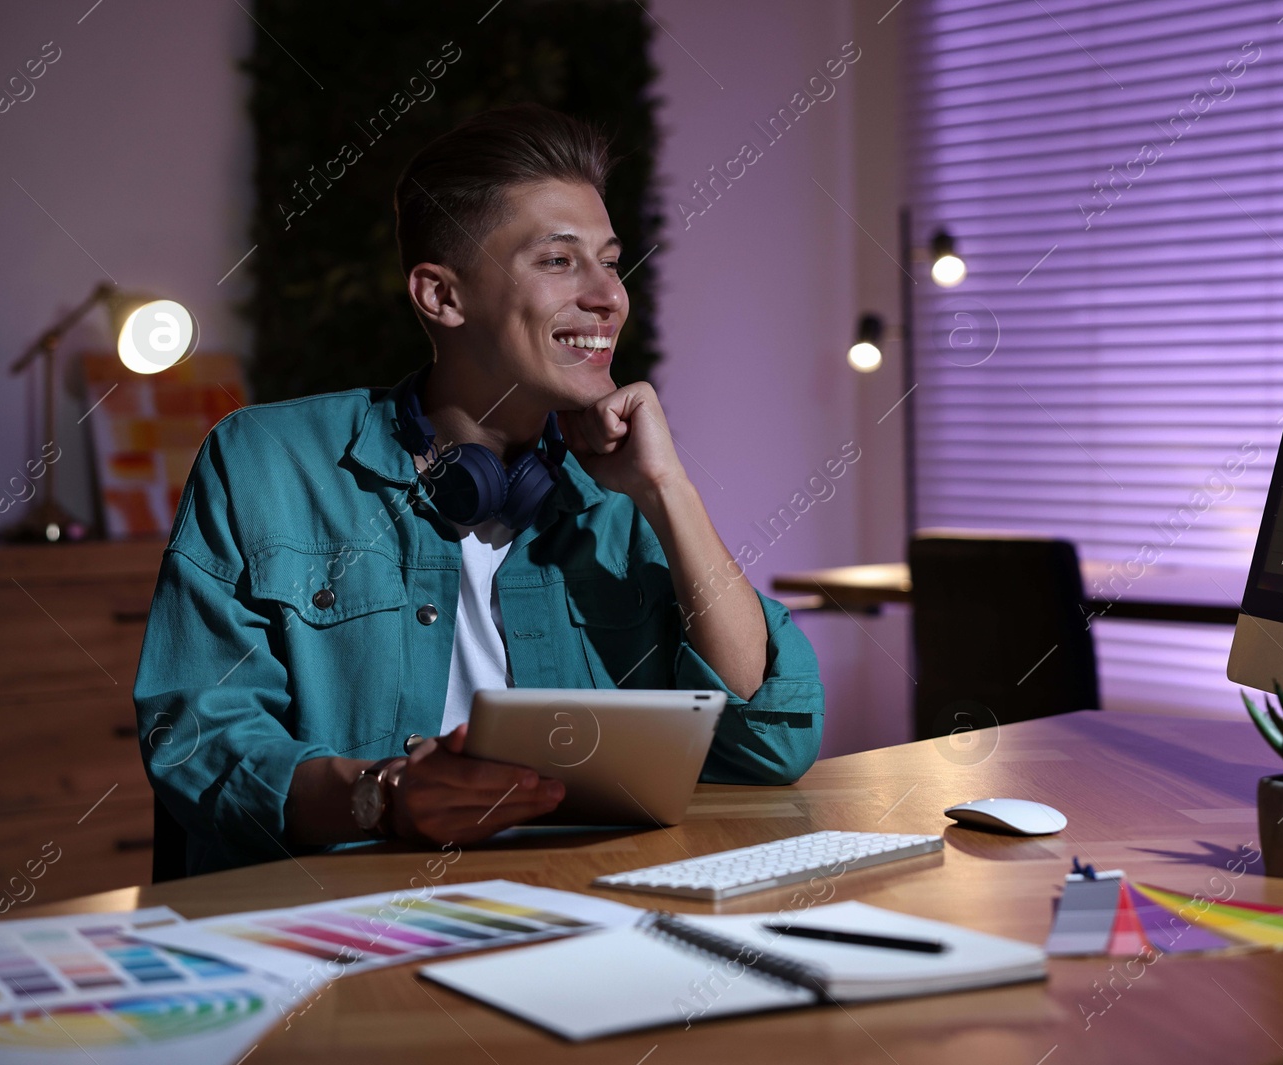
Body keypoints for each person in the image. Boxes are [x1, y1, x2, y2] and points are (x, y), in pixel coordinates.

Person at [134, 104, 825, 876]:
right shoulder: (264, 459)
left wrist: (669, 490)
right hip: (330, 925)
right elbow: (199, 735)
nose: (609, 296)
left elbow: (768, 740)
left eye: (610, 259)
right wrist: (383, 797)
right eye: (560, 261)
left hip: (568, 908)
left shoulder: (616, 493)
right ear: (443, 297)